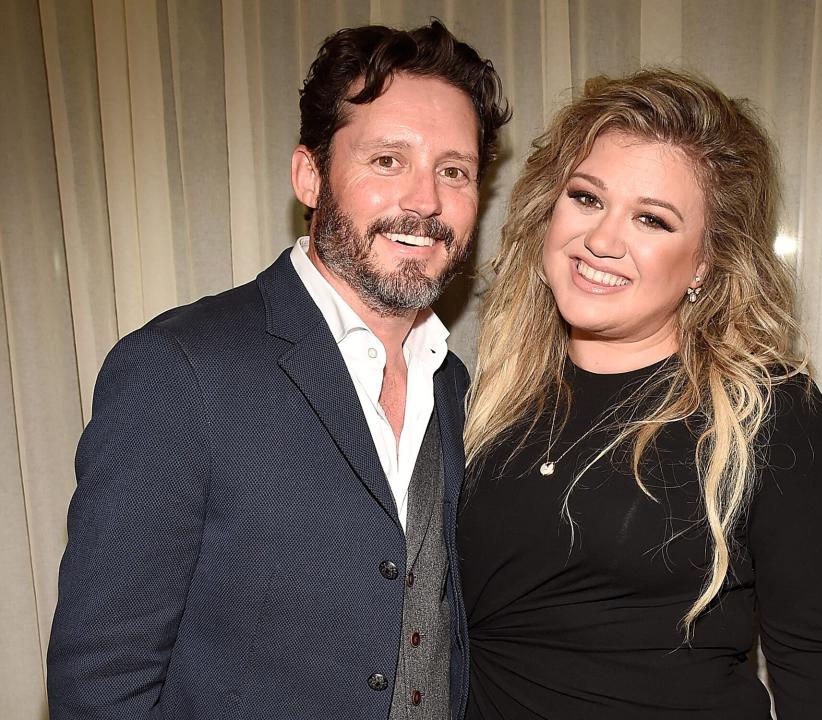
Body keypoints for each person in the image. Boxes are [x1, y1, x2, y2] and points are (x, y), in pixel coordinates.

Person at [47, 20, 509, 720]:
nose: (426, 199)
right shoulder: (179, 371)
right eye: (388, 160)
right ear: (310, 175)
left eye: (455, 170)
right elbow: (100, 683)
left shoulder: (455, 385)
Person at [459, 69, 822, 718]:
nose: (602, 240)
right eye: (588, 198)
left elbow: (818, 664)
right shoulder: (492, 397)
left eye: (652, 218)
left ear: (705, 261)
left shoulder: (773, 417)